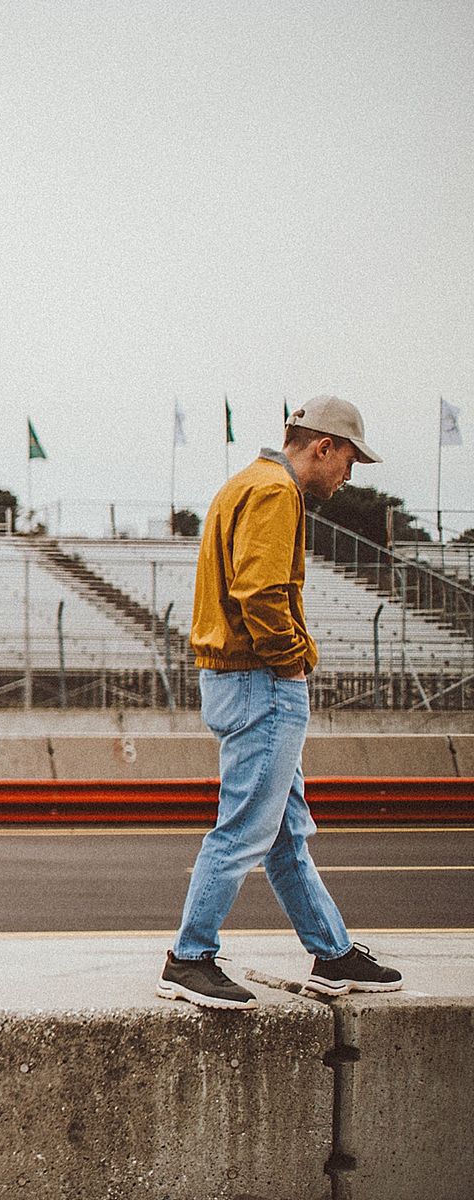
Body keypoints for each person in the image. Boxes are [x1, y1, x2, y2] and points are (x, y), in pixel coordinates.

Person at [157, 395, 406, 1010]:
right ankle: (188, 958)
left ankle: (331, 951)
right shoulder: (276, 491)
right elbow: (262, 591)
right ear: (322, 445)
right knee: (244, 827)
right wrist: (294, 657)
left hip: (237, 678)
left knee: (286, 831)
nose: (347, 477)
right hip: (261, 679)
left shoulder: (243, 482)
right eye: (348, 460)